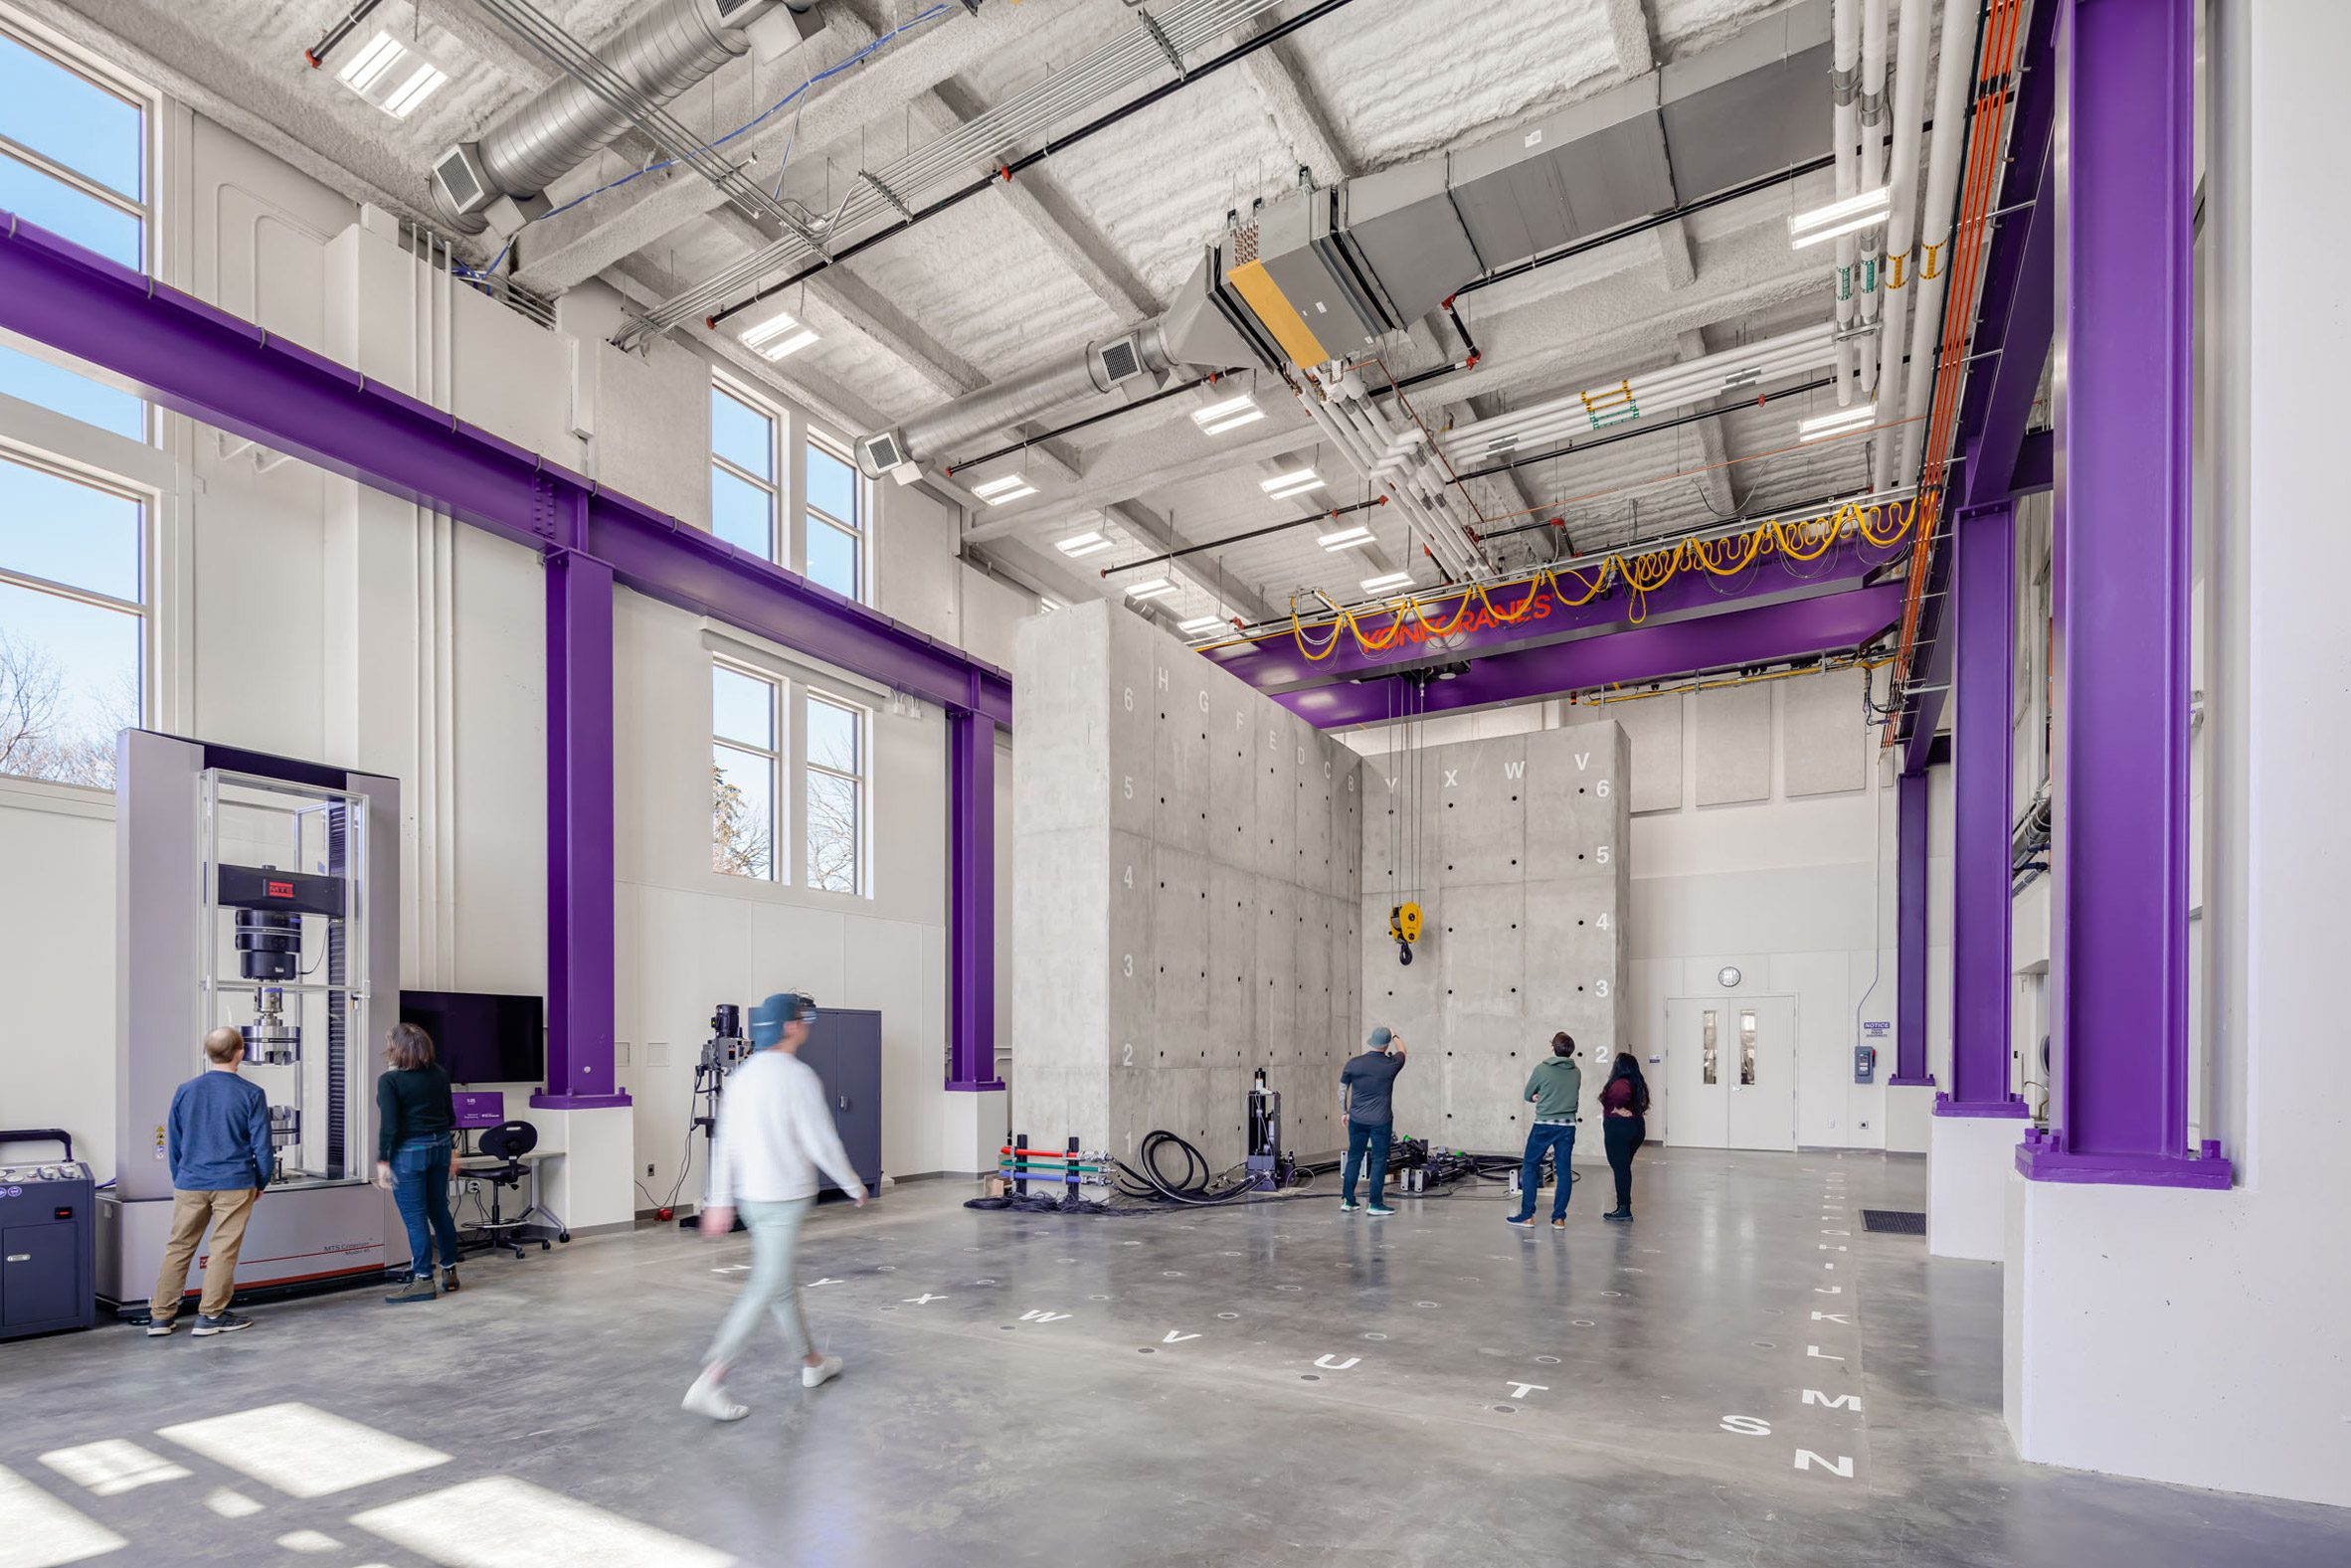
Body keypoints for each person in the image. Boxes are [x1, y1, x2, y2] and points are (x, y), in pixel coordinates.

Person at [683, 990, 868, 1422]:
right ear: (789, 1026)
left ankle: (812, 1363)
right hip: (784, 1199)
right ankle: (711, 1379)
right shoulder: (798, 1077)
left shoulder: (744, 1076)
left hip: (751, 1198)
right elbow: (820, 1139)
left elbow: (725, 1142)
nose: (807, 1027)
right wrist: (851, 1183)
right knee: (766, 1284)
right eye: (803, 1020)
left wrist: (719, 1200)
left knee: (780, 1284)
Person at [147, 1027, 272, 1336]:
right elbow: (262, 1147)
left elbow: (175, 1141)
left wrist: (181, 1178)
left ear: (208, 1053)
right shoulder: (251, 1093)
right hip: (234, 1181)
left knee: (178, 1247)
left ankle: (161, 1317)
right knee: (222, 1249)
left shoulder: (185, 1090)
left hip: (190, 1181)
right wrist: (261, 1182)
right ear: (240, 1053)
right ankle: (211, 1316)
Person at [375, 1021, 462, 1304]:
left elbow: (389, 1126)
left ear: (395, 1049)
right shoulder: (439, 1074)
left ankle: (423, 1279)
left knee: (415, 1219)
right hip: (440, 1147)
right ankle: (449, 1272)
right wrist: (451, 1152)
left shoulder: (389, 1081)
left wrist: (383, 1161)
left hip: (409, 1153)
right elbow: (449, 1117)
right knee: (439, 1210)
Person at [1506, 1032, 1582, 1229]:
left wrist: (1537, 1097)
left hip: (1544, 1125)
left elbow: (1527, 1094)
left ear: (1553, 1048)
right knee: (1564, 1171)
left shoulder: (1542, 1069)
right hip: (1568, 1126)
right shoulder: (1576, 1072)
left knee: (1530, 1166)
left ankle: (1527, 1216)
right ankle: (1559, 1218)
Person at [1338, 1026, 1407, 1216]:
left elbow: (1342, 1089)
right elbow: (1403, 1051)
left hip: (1356, 1120)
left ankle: (1348, 1201)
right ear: (1386, 1045)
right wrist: (1395, 1035)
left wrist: (1344, 1111)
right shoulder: (1392, 1064)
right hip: (1381, 1121)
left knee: (1354, 1158)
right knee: (1378, 1161)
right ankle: (1375, 1204)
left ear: (1371, 1041)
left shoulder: (1354, 1063)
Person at [1599, 1050, 1651, 1222]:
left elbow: (1619, 1095)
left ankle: (1624, 1208)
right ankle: (1623, 1206)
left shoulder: (1620, 1083)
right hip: (1636, 1127)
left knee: (1620, 1169)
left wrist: (1618, 1107)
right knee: (1623, 1168)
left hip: (1618, 1129)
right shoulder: (1636, 1082)